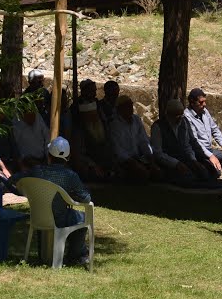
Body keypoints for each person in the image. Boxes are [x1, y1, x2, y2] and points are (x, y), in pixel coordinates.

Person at [15, 137, 92, 266]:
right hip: (60, 219)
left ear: (49, 155)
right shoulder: (70, 175)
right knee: (83, 217)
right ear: (68, 157)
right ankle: (76, 254)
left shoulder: (36, 171)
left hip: (37, 216)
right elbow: (86, 198)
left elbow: (15, 180)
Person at [151, 99, 214, 184]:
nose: (180, 118)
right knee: (188, 178)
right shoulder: (158, 127)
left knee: (208, 172)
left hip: (184, 160)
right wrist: (176, 164)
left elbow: (186, 146)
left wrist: (193, 160)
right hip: (169, 162)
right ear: (169, 114)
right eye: (177, 116)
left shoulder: (183, 122)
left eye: (181, 115)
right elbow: (158, 153)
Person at [108, 95, 159, 183]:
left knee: (158, 173)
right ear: (120, 109)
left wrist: (150, 158)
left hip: (137, 158)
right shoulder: (114, 125)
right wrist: (133, 163)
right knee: (143, 175)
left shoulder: (136, 120)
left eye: (131, 105)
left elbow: (144, 141)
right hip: (124, 161)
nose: (130, 108)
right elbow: (117, 150)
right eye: (127, 106)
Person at [185, 87, 222, 173]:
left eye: (204, 101)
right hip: (199, 152)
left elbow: (214, 129)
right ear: (192, 103)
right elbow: (195, 142)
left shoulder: (204, 111)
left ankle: (214, 163)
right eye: (201, 102)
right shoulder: (186, 117)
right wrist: (211, 156)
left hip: (210, 150)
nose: (204, 104)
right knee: (216, 172)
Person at [69, 101, 115, 181]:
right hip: (88, 163)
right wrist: (93, 164)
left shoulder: (102, 128)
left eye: (95, 115)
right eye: (90, 115)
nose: (94, 118)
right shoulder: (79, 131)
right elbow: (78, 153)